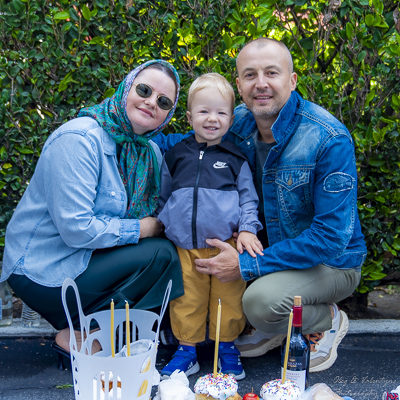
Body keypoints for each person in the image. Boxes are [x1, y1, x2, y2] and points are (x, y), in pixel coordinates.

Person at [154, 38, 367, 373]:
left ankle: (325, 319)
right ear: (239, 85)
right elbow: (184, 147)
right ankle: (274, 327)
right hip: (265, 250)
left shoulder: (328, 138)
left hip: (331, 262)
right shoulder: (234, 122)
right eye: (250, 75)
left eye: (272, 72)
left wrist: (247, 266)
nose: (261, 83)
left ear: (292, 80)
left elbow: (331, 237)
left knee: (259, 303)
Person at [0, 60, 184, 362]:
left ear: (169, 114)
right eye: (144, 90)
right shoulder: (80, 139)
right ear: (127, 88)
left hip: (90, 258)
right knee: (159, 253)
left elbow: (165, 210)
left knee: (167, 254)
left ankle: (90, 333)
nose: (152, 102)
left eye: (163, 101)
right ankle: (84, 333)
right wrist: (144, 228)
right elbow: (76, 229)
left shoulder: (149, 152)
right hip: (42, 269)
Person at [156, 73, 263, 380]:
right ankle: (186, 350)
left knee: (227, 299)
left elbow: (248, 200)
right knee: (186, 298)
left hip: (226, 248)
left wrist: (247, 230)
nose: (212, 119)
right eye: (203, 111)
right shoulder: (175, 155)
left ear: (231, 118)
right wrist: (165, 221)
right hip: (185, 247)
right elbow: (163, 194)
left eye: (220, 112)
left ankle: (226, 347)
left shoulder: (236, 158)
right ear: (189, 116)